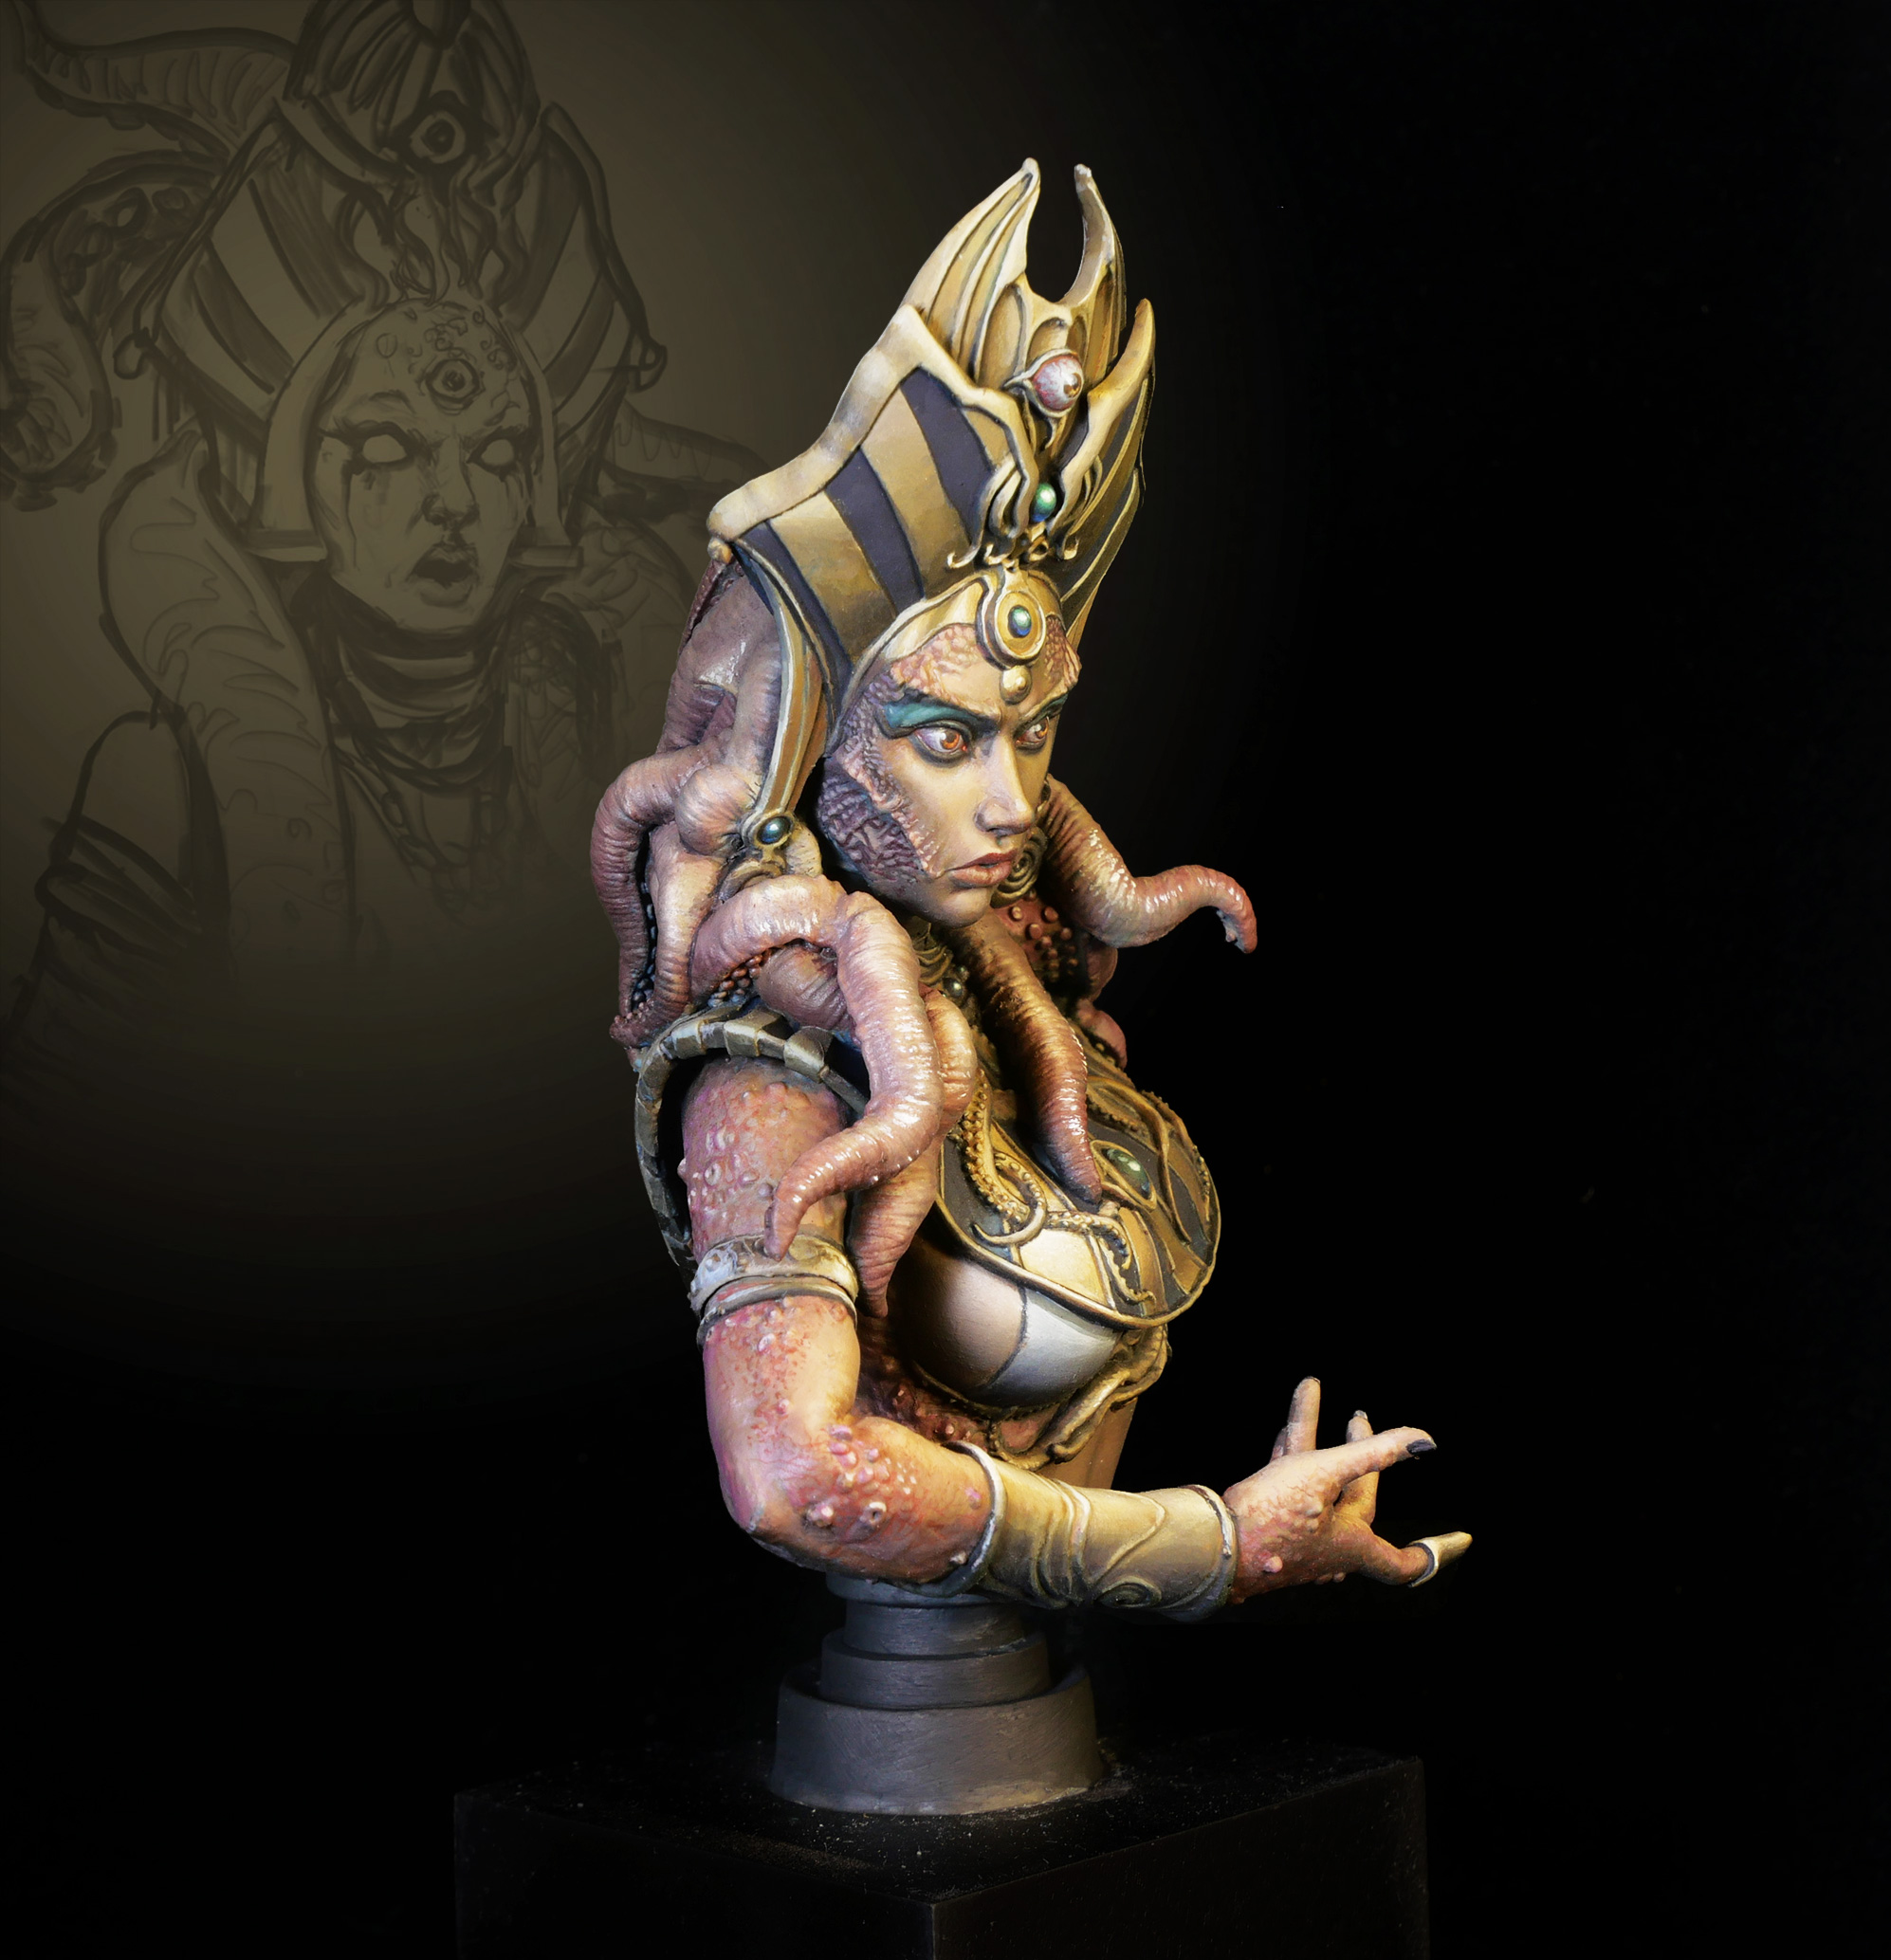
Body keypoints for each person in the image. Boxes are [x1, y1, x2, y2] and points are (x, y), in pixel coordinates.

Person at [592, 162, 1472, 1619]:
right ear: (812, 742)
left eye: (1033, 729)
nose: (1010, 802)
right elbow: (793, 1477)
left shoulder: (1026, 991)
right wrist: (1214, 1547)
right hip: (914, 1681)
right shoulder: (773, 1072)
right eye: (943, 741)